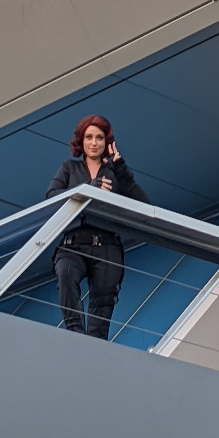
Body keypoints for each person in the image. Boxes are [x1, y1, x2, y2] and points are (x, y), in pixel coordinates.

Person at [46, 114, 149, 340]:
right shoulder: (69, 168)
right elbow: (52, 197)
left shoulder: (114, 172)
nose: (94, 143)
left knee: (101, 313)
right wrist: (87, 188)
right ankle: (75, 338)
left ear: (107, 142)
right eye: (89, 137)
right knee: (65, 276)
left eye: (100, 138)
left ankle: (93, 350)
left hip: (107, 246)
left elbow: (143, 204)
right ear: (81, 141)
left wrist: (121, 168)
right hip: (73, 243)